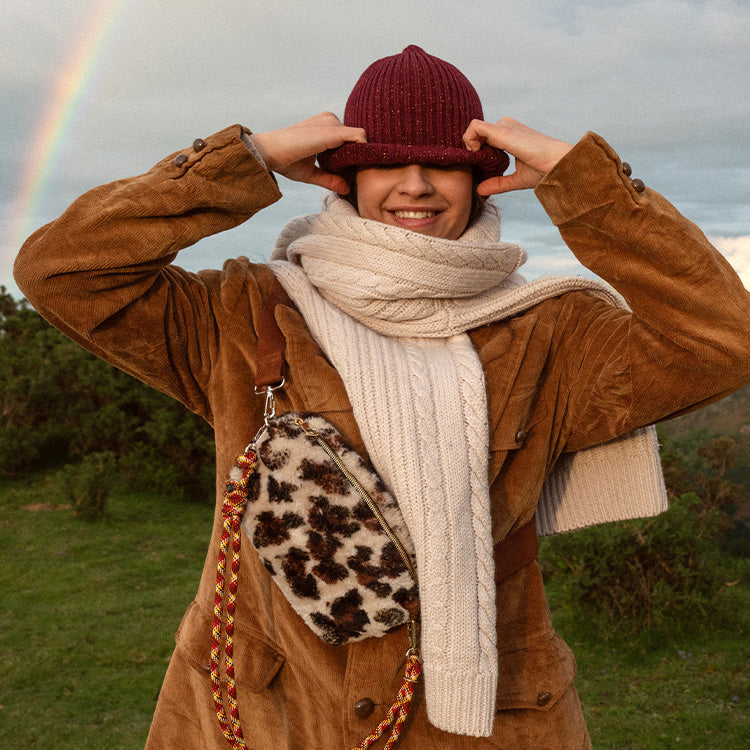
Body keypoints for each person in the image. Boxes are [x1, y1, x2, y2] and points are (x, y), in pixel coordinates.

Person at [14, 45, 750, 749]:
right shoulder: (243, 312)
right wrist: (249, 158)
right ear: (344, 176)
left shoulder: (553, 333)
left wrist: (585, 180)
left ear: (483, 178)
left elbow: (724, 341)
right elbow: (59, 272)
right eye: (386, 162)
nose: (416, 184)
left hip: (486, 720)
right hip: (270, 708)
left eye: (444, 165)